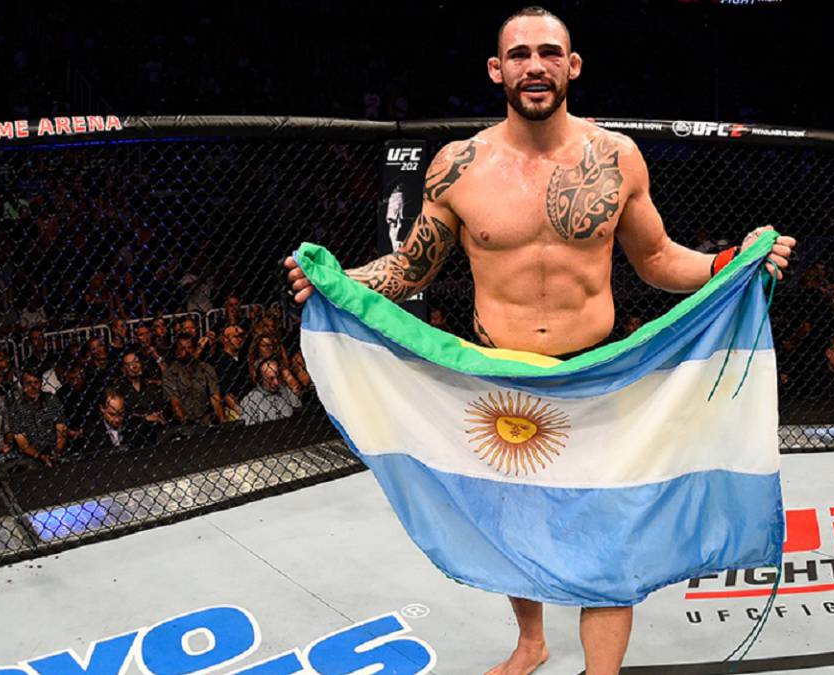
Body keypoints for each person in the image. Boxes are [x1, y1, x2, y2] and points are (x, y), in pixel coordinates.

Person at [285, 8, 795, 674]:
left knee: (609, 532)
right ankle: (532, 642)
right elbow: (412, 267)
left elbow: (657, 259)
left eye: (549, 52)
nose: (535, 65)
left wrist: (733, 260)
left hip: (598, 373)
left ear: (572, 65)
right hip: (502, 372)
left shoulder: (616, 157)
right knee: (513, 521)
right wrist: (339, 282)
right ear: (496, 69)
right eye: (519, 54)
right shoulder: (458, 166)